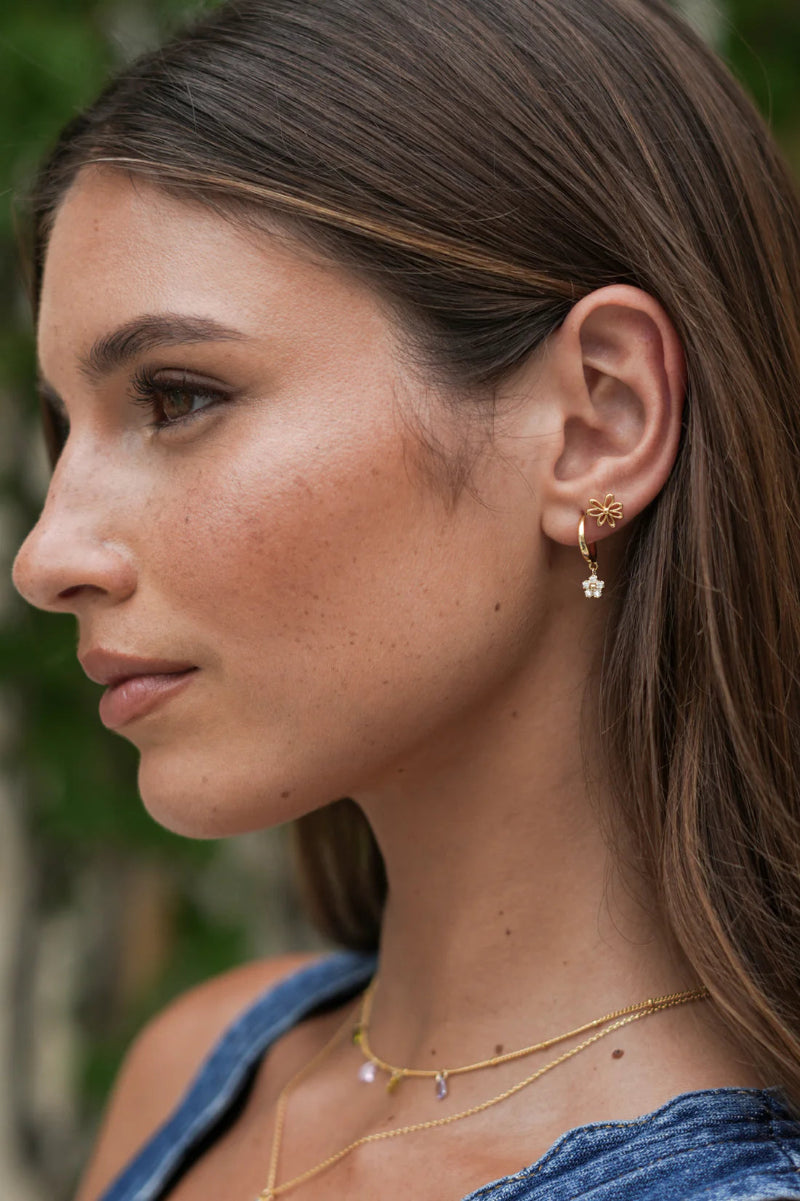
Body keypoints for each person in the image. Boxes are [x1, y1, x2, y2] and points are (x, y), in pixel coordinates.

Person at [11, 0, 800, 1197]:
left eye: (174, 398)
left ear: (597, 422)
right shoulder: (203, 1077)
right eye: (65, 428)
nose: (46, 555)